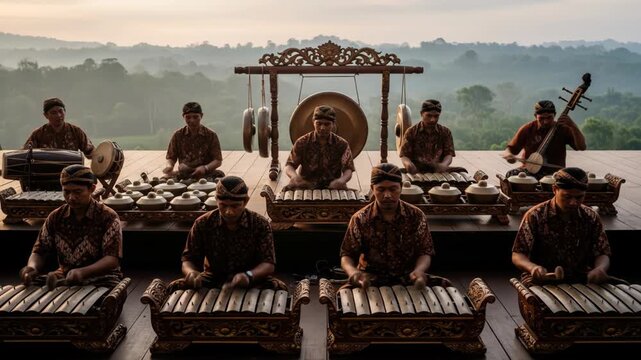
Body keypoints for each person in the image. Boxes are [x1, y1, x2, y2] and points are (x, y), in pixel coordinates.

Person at [19, 165, 123, 288]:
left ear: (92, 188)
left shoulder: (108, 217)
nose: (71, 197)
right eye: (66, 192)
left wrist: (83, 272)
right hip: (65, 276)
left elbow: (112, 259)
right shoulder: (55, 217)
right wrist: (31, 267)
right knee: (33, 289)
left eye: (77, 192)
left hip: (103, 279)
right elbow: (40, 250)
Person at [179, 175, 285, 290]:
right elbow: (188, 259)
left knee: (278, 288)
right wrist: (191, 273)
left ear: (245, 201)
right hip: (213, 278)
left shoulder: (260, 224)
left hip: (251, 278)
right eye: (223, 205)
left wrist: (248, 276)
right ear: (216, 199)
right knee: (177, 287)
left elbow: (268, 264)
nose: (229, 212)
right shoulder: (203, 223)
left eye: (235, 206)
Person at [339, 163, 435, 288]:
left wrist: (419, 270)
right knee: (344, 299)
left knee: (445, 291)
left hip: (408, 278)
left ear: (401, 187)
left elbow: (425, 251)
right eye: (381, 189)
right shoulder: (360, 219)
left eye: (393, 189)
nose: (387, 195)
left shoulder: (416, 216)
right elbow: (347, 255)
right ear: (372, 188)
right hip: (370, 279)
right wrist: (354, 273)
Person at [511, 167, 611, 286]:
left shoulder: (591, 216)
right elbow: (518, 254)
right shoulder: (535, 215)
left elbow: (602, 252)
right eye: (567, 197)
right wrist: (533, 268)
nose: (573, 202)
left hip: (581, 278)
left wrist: (600, 269)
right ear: (555, 189)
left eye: (579, 197)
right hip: (543, 279)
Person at [502, 100, 586, 179]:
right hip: (529, 171)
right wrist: (509, 155)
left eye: (549, 117)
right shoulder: (528, 129)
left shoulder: (563, 129)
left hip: (555, 173)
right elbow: (509, 150)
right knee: (511, 175)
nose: (545, 121)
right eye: (541, 118)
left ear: (555, 115)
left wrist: (573, 126)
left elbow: (581, 147)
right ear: (535, 116)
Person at [284, 105, 355, 190]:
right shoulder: (302, 142)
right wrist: (294, 177)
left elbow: (348, 169)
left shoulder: (342, 144)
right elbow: (289, 165)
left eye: (327, 124)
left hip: (332, 187)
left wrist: (341, 181)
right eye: (319, 123)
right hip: (305, 186)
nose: (322, 128)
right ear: (313, 123)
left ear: (333, 124)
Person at [399, 99, 464, 174]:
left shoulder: (446, 132)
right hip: (417, 170)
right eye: (429, 115)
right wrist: (408, 164)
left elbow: (449, 154)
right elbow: (404, 155)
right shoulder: (411, 132)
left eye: (436, 116)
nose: (433, 119)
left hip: (438, 170)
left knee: (462, 171)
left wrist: (443, 165)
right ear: (421, 114)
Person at [163, 101, 224, 180]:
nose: (192, 120)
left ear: (201, 116)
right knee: (163, 180)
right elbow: (171, 157)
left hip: (205, 173)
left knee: (220, 178)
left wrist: (205, 168)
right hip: (184, 173)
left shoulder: (211, 135)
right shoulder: (177, 135)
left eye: (195, 117)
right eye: (188, 117)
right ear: (183, 117)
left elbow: (218, 160)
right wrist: (169, 166)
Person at [24, 97, 94, 158]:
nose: (58, 115)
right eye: (53, 113)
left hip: (70, 171)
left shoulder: (76, 131)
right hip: (46, 171)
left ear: (65, 111)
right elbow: (24, 154)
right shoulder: (38, 134)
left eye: (61, 111)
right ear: (46, 115)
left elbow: (91, 152)